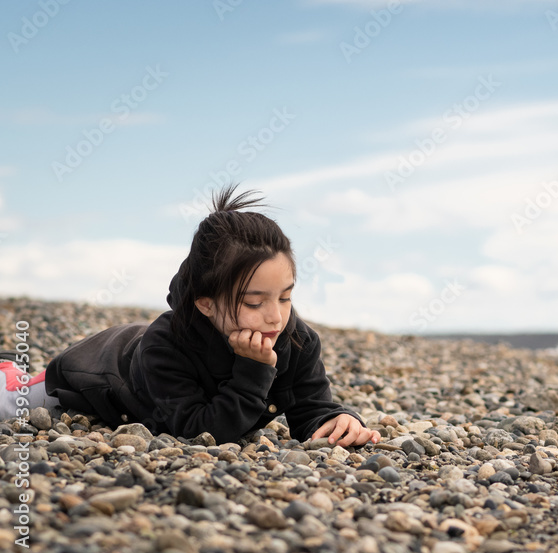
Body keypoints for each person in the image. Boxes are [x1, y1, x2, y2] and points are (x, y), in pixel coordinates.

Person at [1, 185, 378, 447]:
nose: (275, 318)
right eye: (253, 302)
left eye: (285, 297)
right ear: (206, 303)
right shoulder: (164, 345)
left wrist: (337, 421)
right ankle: (12, 374)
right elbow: (200, 432)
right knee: (13, 404)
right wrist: (253, 370)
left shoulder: (297, 339)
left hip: (135, 350)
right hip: (97, 370)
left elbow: (310, 406)